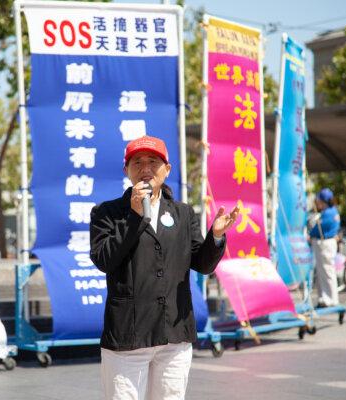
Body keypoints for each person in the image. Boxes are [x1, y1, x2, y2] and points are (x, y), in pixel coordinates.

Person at [90, 136, 239, 400]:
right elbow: (104, 259)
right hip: (128, 338)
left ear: (167, 169)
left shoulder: (183, 213)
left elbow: (202, 263)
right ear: (126, 170)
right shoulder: (106, 213)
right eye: (137, 162)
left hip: (174, 335)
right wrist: (135, 217)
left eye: (153, 162)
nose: (145, 168)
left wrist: (215, 237)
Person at [309, 188, 341, 308]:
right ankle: (325, 297)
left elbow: (318, 228)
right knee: (324, 271)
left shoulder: (328, 213)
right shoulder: (332, 211)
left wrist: (310, 233)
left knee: (327, 271)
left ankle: (330, 299)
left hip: (325, 243)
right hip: (328, 242)